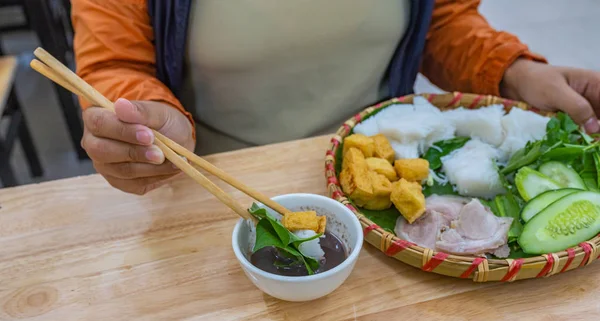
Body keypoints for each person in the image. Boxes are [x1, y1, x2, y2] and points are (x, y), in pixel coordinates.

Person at [71, 0, 600, 195]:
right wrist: (147, 121)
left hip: (385, 177)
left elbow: (441, 21)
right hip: (216, 183)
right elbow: (117, 64)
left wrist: (514, 72)